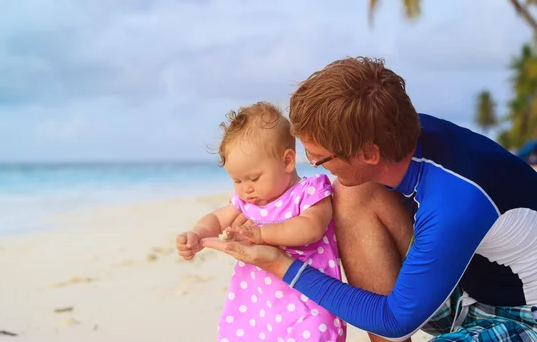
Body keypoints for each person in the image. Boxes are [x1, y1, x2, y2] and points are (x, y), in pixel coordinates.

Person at [202, 57, 537, 342]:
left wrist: (278, 263)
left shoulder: (455, 201)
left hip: (525, 315)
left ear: (368, 153)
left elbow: (394, 320)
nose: (316, 168)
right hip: (464, 287)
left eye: (320, 159)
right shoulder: (391, 130)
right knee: (351, 193)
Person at [175, 102, 347, 342]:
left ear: (287, 161)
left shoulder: (309, 191)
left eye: (253, 178)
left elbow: (311, 228)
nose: (245, 189)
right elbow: (216, 217)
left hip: (307, 303)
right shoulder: (248, 203)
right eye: (237, 181)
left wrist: (261, 234)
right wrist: (196, 234)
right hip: (255, 304)